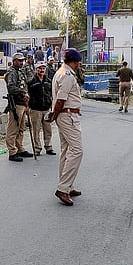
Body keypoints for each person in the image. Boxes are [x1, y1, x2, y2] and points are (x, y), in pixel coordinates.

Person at [46, 48, 84, 206]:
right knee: (77, 150)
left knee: (66, 151)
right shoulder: (67, 76)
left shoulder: (60, 72)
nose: (78, 65)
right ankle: (63, 188)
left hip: (64, 115)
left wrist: (55, 115)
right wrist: (55, 114)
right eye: (78, 63)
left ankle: (67, 185)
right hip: (68, 115)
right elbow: (61, 99)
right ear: (74, 62)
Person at [4, 53, 33, 162]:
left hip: (23, 103)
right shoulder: (11, 72)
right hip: (16, 103)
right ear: (14, 61)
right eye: (19, 61)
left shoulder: (20, 71)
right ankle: (12, 151)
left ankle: (19, 148)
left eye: (22, 60)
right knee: (13, 129)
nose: (21, 62)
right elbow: (11, 88)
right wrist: (23, 92)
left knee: (21, 129)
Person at [27, 61, 56, 156]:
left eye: (43, 68)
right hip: (35, 109)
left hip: (46, 108)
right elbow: (27, 95)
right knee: (36, 129)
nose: (42, 70)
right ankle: (37, 148)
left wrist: (52, 107)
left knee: (48, 129)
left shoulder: (48, 81)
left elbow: (52, 94)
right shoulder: (31, 82)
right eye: (40, 68)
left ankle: (49, 147)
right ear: (36, 69)